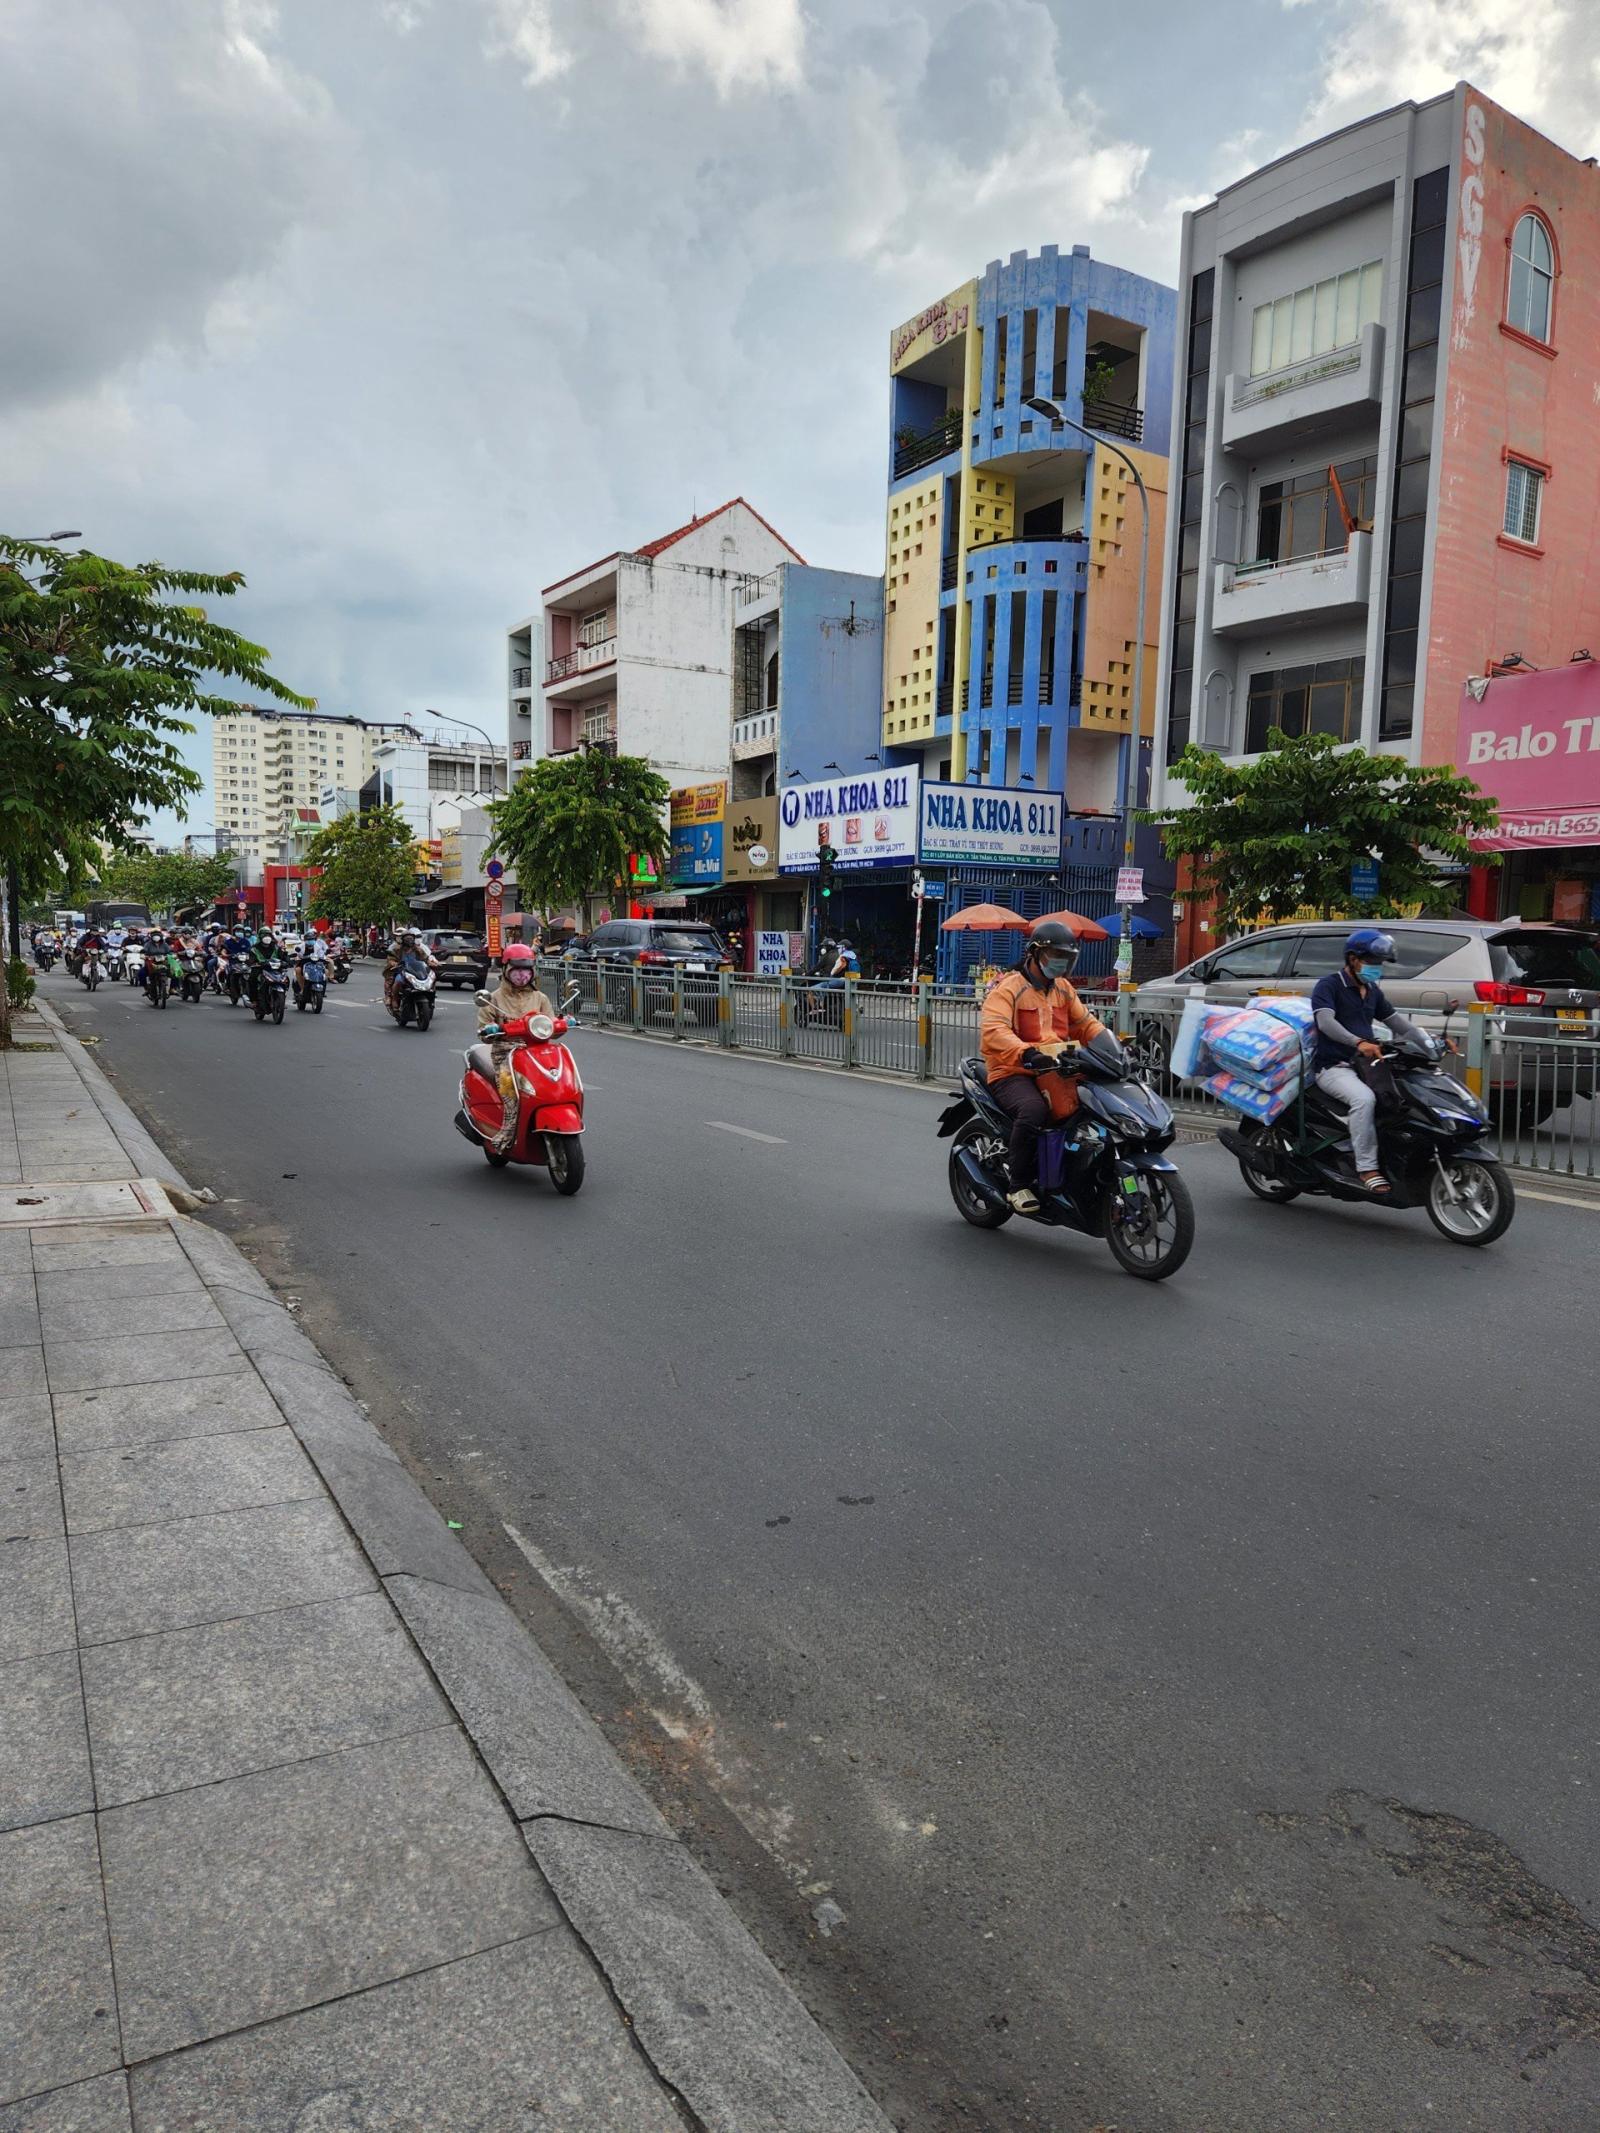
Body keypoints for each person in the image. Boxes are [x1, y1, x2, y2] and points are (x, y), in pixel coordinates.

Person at [979, 919, 1108, 1213]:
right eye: (1055, 956)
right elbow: (994, 1031)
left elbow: (1086, 1024)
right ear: (1035, 954)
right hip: (1013, 1070)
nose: (1061, 964)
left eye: (1067, 958)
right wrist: (1026, 1053)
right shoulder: (1009, 988)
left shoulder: (1063, 989)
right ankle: (1018, 1184)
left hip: (1056, 1067)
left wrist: (1112, 1044)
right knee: (1034, 1110)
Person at [1309, 928, 1425, 1195]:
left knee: (1404, 1096)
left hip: (1368, 1064)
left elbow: (1399, 1024)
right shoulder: (1329, 985)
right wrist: (1358, 1042)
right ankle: (1367, 1168)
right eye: (1371, 962)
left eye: (1379, 963)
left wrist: (1432, 1042)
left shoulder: (1372, 991)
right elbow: (1326, 1023)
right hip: (1334, 1066)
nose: (1376, 968)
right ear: (1352, 959)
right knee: (1364, 1100)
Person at [472, 944, 555, 1153]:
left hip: (536, 1052)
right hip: (505, 1053)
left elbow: (551, 1023)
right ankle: (506, 1135)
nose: (522, 975)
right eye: (516, 970)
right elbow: (483, 1029)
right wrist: (490, 1029)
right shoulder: (494, 998)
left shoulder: (540, 998)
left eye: (526, 970)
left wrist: (564, 1023)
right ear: (506, 971)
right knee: (511, 1093)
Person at [383, 927, 436, 1015]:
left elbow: (425, 959)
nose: (409, 940)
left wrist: (431, 963)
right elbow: (391, 959)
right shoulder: (397, 949)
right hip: (402, 971)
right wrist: (394, 963)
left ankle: (431, 999)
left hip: (416, 971)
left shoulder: (418, 950)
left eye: (411, 938)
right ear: (403, 939)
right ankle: (394, 1000)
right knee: (398, 981)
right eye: (407, 938)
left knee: (431, 978)